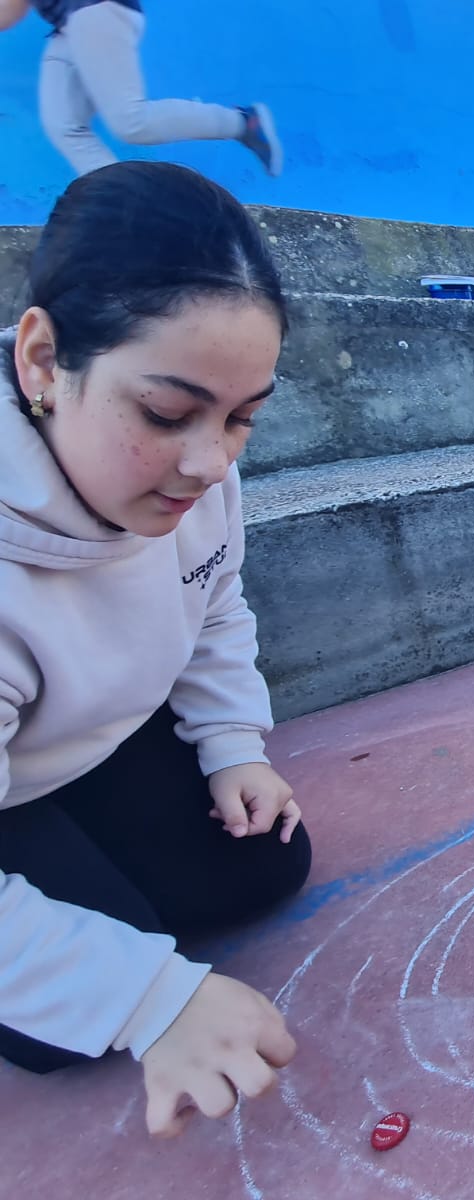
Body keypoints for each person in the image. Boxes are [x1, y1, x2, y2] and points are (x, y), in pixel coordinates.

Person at [0, 162, 310, 1136]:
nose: (210, 463)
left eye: (243, 418)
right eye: (168, 414)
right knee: (68, 1024)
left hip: (95, 739)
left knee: (266, 862)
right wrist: (145, 1000)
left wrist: (233, 745)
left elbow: (214, 601)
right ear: (42, 363)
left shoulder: (197, 479)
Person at [0, 0, 283, 177]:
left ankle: (244, 122)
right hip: (70, 25)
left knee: (130, 122)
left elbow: (9, 12)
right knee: (65, 125)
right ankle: (117, 200)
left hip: (95, 11)